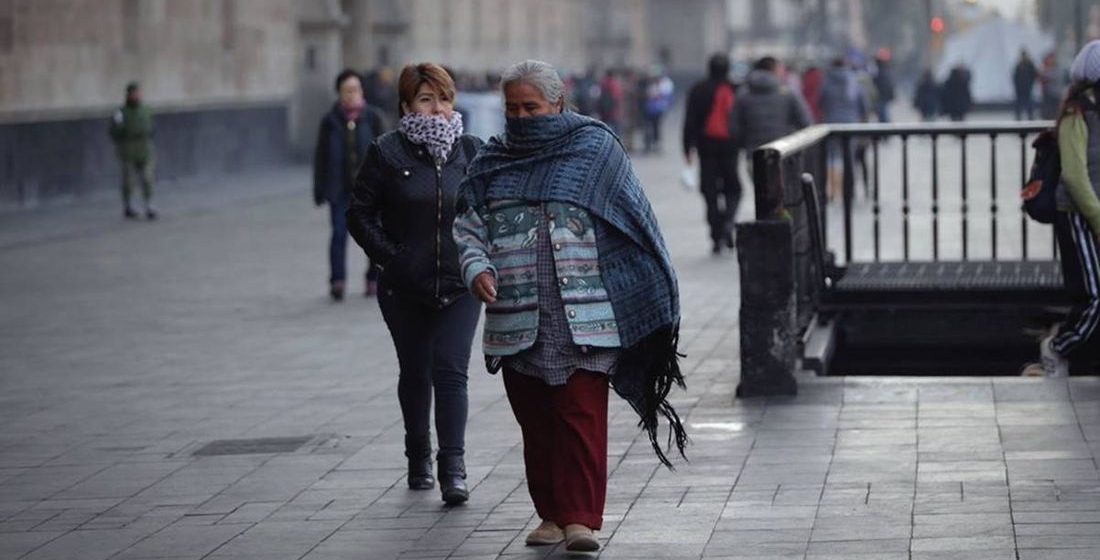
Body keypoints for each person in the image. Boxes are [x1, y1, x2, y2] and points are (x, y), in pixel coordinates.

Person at [453, 59, 686, 553]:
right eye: (512, 108)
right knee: (536, 422)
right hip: (516, 316)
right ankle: (551, 515)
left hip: (586, 314)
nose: (521, 118)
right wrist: (476, 269)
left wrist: (640, 287)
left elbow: (631, 220)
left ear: (557, 103)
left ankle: (581, 518)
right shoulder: (490, 163)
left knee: (579, 417)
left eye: (531, 107)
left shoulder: (594, 149)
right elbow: (469, 228)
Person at [346, 63, 483, 505]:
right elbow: (359, 214)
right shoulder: (387, 152)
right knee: (416, 371)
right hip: (404, 287)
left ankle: (454, 467)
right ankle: (418, 454)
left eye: (444, 98)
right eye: (426, 100)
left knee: (451, 369)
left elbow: (489, 211)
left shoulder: (471, 151)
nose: (438, 109)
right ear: (406, 105)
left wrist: (481, 260)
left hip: (460, 285)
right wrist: (393, 258)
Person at [1039, 41, 1100, 376]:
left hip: (1093, 214)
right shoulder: (1077, 114)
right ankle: (1057, 347)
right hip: (1078, 215)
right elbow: (1075, 177)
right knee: (1095, 297)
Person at [313, 70, 384, 301]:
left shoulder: (373, 117)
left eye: (355, 90)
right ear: (340, 93)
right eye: (347, 90)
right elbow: (321, 156)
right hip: (340, 189)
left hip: (370, 191)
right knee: (338, 235)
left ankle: (373, 278)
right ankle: (338, 280)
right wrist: (320, 187)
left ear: (362, 91)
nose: (352, 95)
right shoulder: (330, 120)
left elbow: (386, 154)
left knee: (373, 235)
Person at [683, 53, 740, 253]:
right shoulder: (735, 89)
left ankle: (716, 234)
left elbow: (690, 121)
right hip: (730, 147)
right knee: (733, 188)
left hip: (705, 147)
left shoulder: (698, 90)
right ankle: (729, 222)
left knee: (710, 191)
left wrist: (687, 148)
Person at [730, 56, 813, 162]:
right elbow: (805, 122)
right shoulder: (788, 93)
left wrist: (745, 143)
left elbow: (734, 126)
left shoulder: (743, 93)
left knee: (758, 178)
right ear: (774, 70)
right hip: (783, 151)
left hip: (754, 153)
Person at [818, 58, 869, 200]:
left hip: (831, 124)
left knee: (832, 158)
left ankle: (831, 190)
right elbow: (863, 105)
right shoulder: (854, 82)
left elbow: (820, 102)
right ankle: (848, 190)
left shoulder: (827, 82)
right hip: (851, 125)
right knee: (849, 158)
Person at [109, 82, 157, 220]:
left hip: (145, 148)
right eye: (134, 93)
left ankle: (149, 205)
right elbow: (114, 131)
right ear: (129, 95)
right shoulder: (121, 112)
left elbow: (152, 127)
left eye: (138, 93)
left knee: (147, 177)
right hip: (128, 149)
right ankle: (128, 205)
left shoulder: (146, 110)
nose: (137, 96)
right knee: (129, 180)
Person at [643, 67, 674, 152]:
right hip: (651, 110)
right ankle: (651, 143)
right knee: (651, 127)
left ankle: (656, 143)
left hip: (657, 110)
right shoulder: (651, 86)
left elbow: (665, 97)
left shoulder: (662, 85)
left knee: (656, 127)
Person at [1040, 52, 1067, 120]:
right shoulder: (1047, 68)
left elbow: (1048, 76)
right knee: (1048, 114)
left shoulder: (1057, 69)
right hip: (1048, 95)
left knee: (1054, 113)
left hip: (1055, 94)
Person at [1013, 50, 1039, 121]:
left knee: (1029, 104)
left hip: (1028, 88)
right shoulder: (1019, 65)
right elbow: (1015, 77)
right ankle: (1019, 117)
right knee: (1019, 104)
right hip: (1021, 89)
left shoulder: (1029, 64)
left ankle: (1030, 116)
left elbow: (1034, 75)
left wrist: (1031, 83)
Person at [873, 49, 896, 123]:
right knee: (883, 113)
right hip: (883, 96)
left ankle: (886, 131)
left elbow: (884, 84)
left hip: (881, 96)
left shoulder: (882, 70)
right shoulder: (886, 69)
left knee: (883, 114)